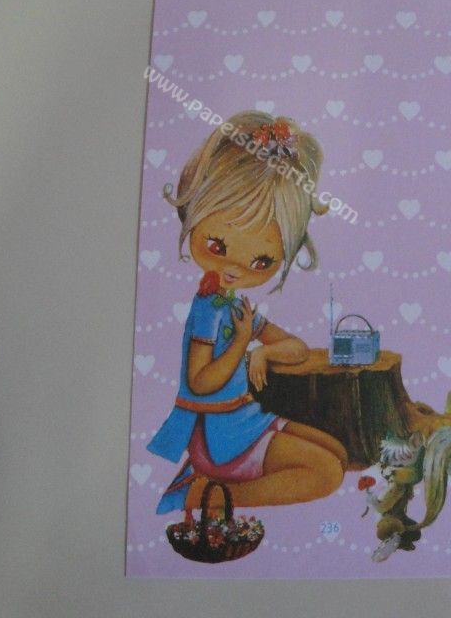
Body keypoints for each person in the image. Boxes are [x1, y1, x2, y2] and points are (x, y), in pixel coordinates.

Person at [146, 111, 347, 518]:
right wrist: (241, 342)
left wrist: (263, 352)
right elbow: (200, 381)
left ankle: (216, 491)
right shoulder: (209, 307)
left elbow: (295, 348)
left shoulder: (235, 304)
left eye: (262, 261)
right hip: (220, 433)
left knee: (337, 450)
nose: (237, 268)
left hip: (246, 419)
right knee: (326, 472)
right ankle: (212, 498)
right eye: (218, 246)